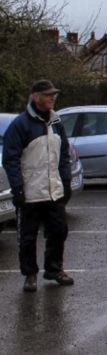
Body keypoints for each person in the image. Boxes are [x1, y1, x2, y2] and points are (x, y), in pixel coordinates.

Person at [2, 80, 73, 292]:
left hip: (54, 191)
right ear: (36, 97)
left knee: (59, 231)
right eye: (48, 95)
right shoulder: (20, 124)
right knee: (28, 237)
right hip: (30, 193)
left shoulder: (57, 122)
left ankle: (54, 269)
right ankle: (30, 275)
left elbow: (64, 155)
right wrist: (18, 189)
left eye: (54, 95)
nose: (53, 98)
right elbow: (10, 159)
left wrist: (66, 182)